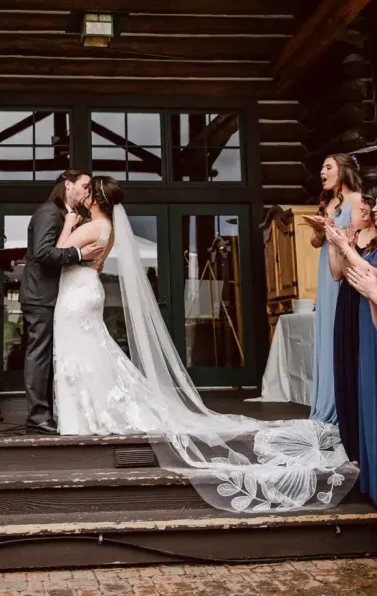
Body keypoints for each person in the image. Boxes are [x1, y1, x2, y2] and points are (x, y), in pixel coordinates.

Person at [52, 175, 358, 515]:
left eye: (87, 191)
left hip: (77, 293)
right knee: (93, 352)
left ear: (94, 198)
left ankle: (79, 417)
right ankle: (85, 411)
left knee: (80, 353)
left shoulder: (91, 226)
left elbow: (60, 249)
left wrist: (67, 222)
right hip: (87, 288)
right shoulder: (108, 225)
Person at [20, 169, 104, 435]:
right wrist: (79, 253)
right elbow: (43, 253)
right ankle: (37, 416)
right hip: (41, 295)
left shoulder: (67, 215)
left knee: (52, 354)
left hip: (56, 294)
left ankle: (51, 411)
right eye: (85, 186)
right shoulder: (48, 212)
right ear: (68, 185)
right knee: (39, 354)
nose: (87, 191)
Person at [302, 154, 361, 425]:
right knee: (326, 332)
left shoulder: (358, 201)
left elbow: (359, 240)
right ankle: (326, 401)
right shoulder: (327, 203)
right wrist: (319, 229)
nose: (322, 172)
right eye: (321, 168)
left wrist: (336, 232)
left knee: (342, 331)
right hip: (326, 273)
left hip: (347, 271)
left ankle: (343, 403)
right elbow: (316, 243)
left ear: (344, 171)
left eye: (328, 167)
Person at [327, 197, 377, 506]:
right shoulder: (355, 239)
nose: (372, 212)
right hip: (361, 308)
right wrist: (339, 246)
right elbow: (340, 273)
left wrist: (345, 249)